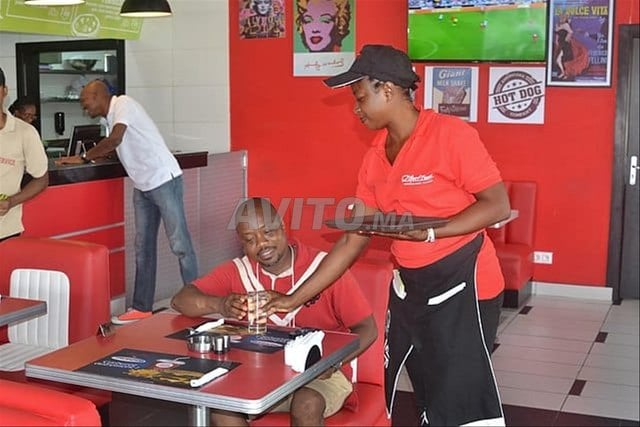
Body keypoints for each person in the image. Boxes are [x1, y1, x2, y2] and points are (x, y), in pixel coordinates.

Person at [265, 45, 509, 426]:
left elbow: (497, 205)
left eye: (361, 97)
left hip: (466, 285)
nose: (356, 108)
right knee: (427, 397)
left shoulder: (450, 135)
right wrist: (292, 298)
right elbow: (354, 237)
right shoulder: (375, 156)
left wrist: (430, 231)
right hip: (412, 290)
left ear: (388, 90)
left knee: (457, 402)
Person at [171, 197, 376, 426]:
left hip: (321, 375)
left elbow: (368, 328)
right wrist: (220, 304)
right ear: (242, 243)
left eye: (268, 232)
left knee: (306, 403)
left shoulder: (324, 269)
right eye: (250, 239)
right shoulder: (238, 271)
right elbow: (180, 300)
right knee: (223, 408)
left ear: (283, 227)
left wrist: (332, 363)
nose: (262, 244)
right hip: (261, 376)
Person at [56, 79, 198, 324]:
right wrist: (96, 156)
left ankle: (197, 300)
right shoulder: (108, 119)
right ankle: (142, 307)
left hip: (164, 180)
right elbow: (118, 146)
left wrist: (84, 158)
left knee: (180, 244)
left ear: (98, 95)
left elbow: (115, 140)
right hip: (143, 186)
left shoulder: (123, 104)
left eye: (85, 100)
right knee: (143, 247)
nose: (83, 106)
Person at [0, 67, 49, 242]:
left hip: (6, 231)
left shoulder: (25, 132)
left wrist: (11, 201)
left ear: (4, 91)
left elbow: (41, 179)